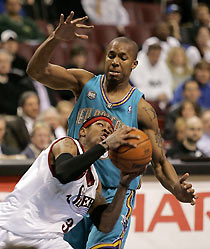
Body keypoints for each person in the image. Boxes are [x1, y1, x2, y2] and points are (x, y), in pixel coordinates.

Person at [27, 11, 198, 249]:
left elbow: (159, 162)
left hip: (112, 194)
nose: (115, 61)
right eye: (111, 55)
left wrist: (176, 189)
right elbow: (36, 71)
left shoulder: (141, 109)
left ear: (134, 64)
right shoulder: (84, 83)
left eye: (123, 57)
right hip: (74, 190)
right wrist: (55, 38)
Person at [0, 115, 141, 248]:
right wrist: (105, 145)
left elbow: (105, 225)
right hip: (11, 227)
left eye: (110, 130)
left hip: (49, 239)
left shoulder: (94, 183)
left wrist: (123, 184)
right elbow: (64, 173)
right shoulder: (67, 144)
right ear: (83, 132)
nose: (106, 129)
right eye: (100, 124)